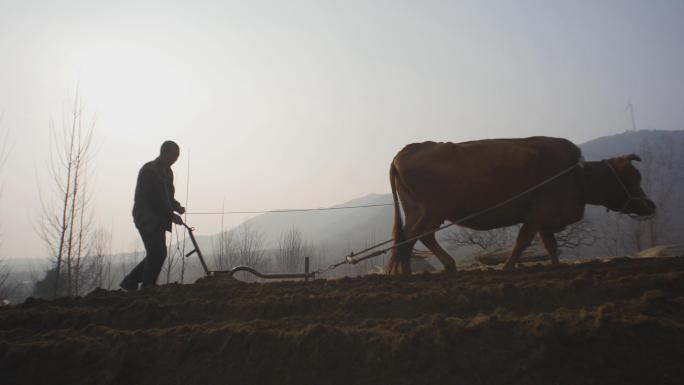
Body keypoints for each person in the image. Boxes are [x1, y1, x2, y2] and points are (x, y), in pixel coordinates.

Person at [120, 140, 185, 291]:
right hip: (146, 218)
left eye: (177, 156)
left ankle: (131, 282)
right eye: (174, 156)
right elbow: (155, 200)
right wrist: (172, 215)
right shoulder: (150, 170)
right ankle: (147, 286)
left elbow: (167, 197)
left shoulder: (168, 172)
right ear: (164, 153)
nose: (176, 159)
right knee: (158, 252)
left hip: (160, 219)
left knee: (158, 253)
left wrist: (177, 207)